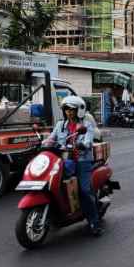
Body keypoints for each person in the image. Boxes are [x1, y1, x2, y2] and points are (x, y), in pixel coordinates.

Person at [44, 95, 102, 236]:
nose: (69, 112)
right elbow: (51, 139)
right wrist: (43, 142)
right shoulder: (60, 125)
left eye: (72, 110)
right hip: (63, 160)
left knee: (84, 190)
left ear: (78, 111)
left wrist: (82, 144)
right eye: (67, 109)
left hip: (82, 161)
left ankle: (94, 222)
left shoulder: (86, 125)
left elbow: (88, 141)